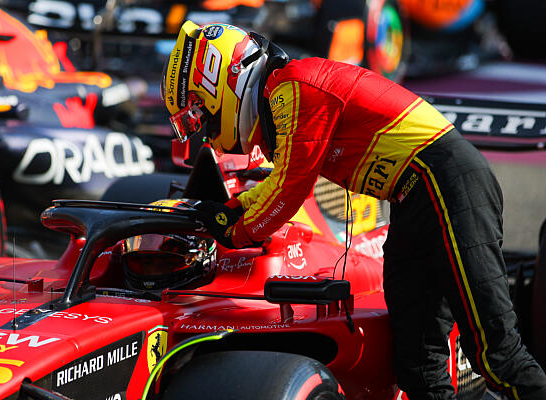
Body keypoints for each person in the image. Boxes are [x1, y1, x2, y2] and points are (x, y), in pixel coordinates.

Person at [160, 21, 546, 399]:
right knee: (418, 363)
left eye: (201, 117)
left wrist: (233, 228)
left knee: (498, 356)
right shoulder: (288, 93)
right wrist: (226, 210)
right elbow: (278, 185)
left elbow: (286, 193)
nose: (207, 133)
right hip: (415, 198)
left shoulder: (294, 85)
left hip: (447, 183)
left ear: (220, 84)